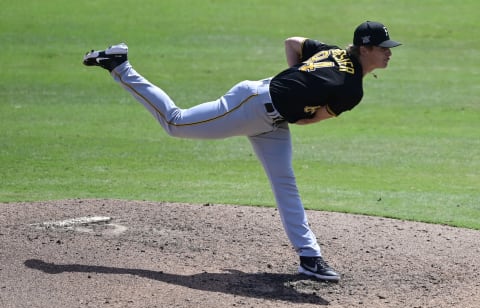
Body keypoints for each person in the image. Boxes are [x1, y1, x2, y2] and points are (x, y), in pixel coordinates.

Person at [83, 21, 401, 282]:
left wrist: (296, 78)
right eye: (383, 49)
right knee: (175, 123)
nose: (388, 54)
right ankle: (120, 65)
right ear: (365, 49)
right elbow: (308, 119)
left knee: (285, 182)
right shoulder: (351, 90)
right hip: (251, 106)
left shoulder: (332, 52)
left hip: (271, 118)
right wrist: (295, 86)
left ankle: (310, 257)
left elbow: (293, 42)